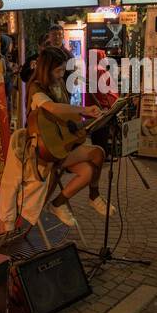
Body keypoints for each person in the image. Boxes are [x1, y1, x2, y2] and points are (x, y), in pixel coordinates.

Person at [26, 48, 116, 225]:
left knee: (89, 170)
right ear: (46, 69)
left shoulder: (57, 83)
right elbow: (52, 108)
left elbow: (64, 114)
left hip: (60, 144)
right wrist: (84, 110)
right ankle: (92, 197)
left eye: (62, 70)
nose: (61, 75)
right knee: (97, 153)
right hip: (43, 151)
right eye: (58, 71)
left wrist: (86, 120)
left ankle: (59, 202)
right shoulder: (36, 87)